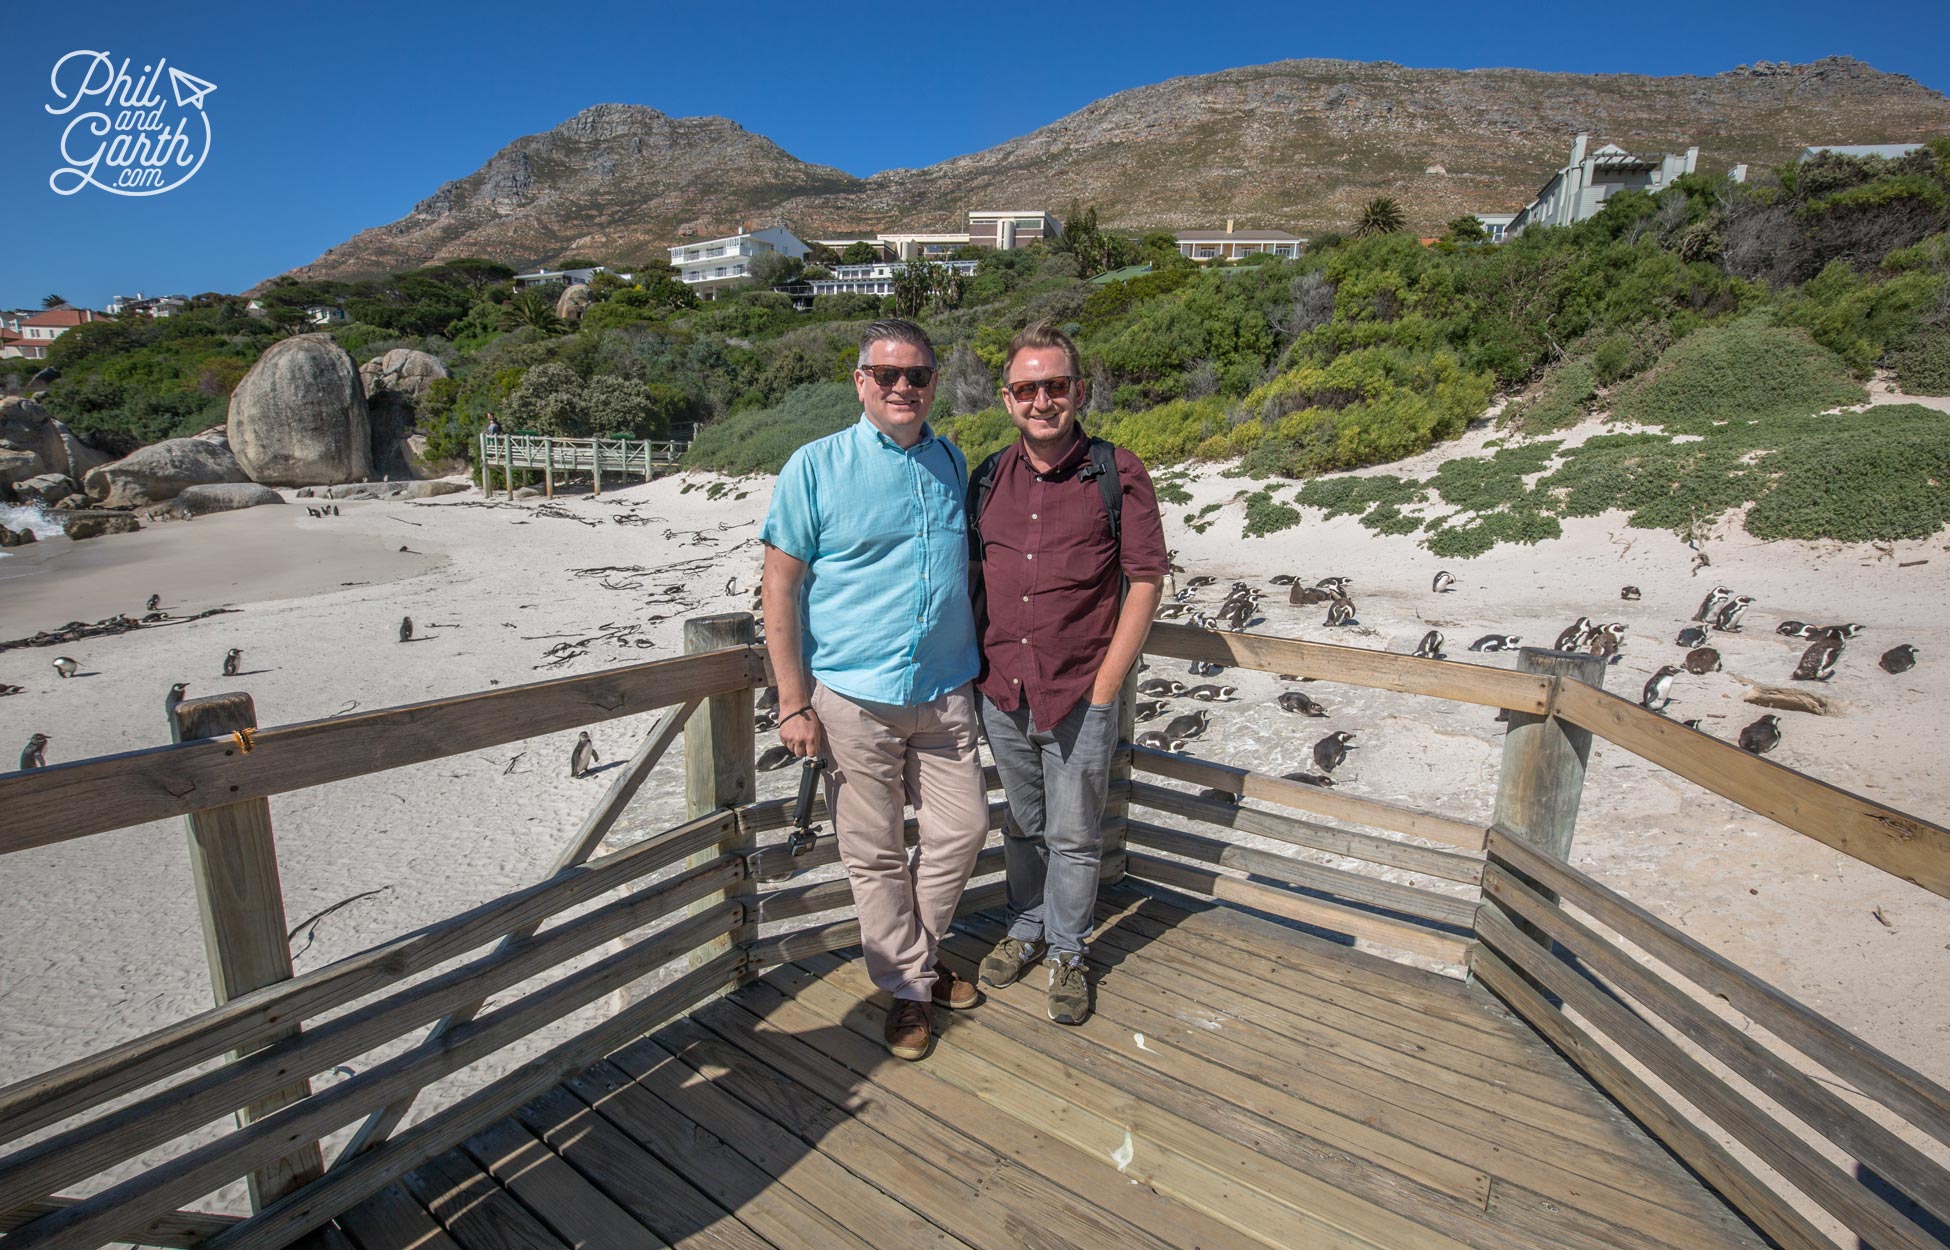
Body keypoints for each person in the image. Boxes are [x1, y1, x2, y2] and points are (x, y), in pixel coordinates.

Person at [761, 318, 989, 1061]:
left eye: (917, 375)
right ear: (860, 381)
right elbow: (781, 587)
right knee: (876, 853)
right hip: (853, 697)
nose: (902, 387)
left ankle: (912, 967)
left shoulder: (951, 459)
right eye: (886, 374)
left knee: (963, 832)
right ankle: (910, 992)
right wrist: (792, 701)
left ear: (933, 382)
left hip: (947, 688)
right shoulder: (814, 466)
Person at [969, 322, 1166, 1025]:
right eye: (1028, 388)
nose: (1043, 400)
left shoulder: (1118, 471)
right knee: (1022, 825)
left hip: (1082, 688)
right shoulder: (987, 475)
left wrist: (1108, 683)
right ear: (1007, 398)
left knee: (1078, 835)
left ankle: (1067, 952)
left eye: (1056, 386)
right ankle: (1025, 928)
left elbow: (1145, 580)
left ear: (1079, 391)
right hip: (1003, 689)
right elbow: (973, 579)